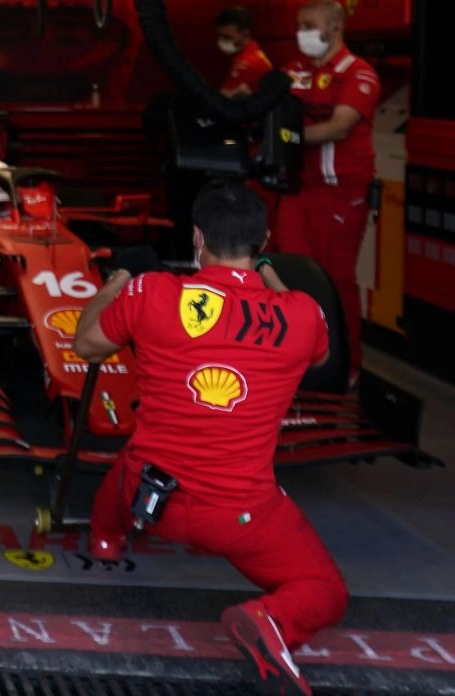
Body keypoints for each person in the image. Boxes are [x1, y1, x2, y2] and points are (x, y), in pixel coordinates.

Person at [75, 181, 344, 696]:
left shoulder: (151, 293)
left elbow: (86, 344)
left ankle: (105, 540)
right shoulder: (303, 315)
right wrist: (266, 269)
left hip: (150, 496)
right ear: (264, 240)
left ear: (197, 238)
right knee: (327, 591)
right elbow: (320, 353)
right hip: (240, 518)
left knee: (136, 452)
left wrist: (120, 278)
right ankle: (269, 618)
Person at [276, 0, 380, 382]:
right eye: (299, 25)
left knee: (335, 278)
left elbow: (339, 126)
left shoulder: (359, 73)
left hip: (341, 191)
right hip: (297, 187)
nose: (301, 32)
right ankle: (298, 358)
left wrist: (286, 137)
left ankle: (347, 365)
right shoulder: (294, 71)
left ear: (335, 27)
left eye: (309, 25)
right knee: (289, 274)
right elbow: (265, 106)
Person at [217, 6, 274, 98]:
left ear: (245, 34)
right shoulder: (254, 55)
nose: (221, 41)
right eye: (219, 36)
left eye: (226, 37)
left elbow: (223, 99)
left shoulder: (247, 64)